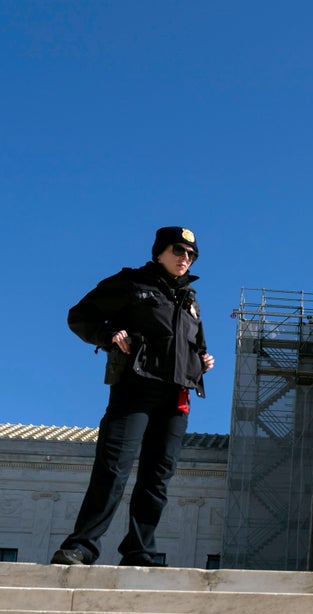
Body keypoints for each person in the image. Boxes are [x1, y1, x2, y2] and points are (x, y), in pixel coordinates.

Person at [51, 227, 215, 567]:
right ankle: (81, 546)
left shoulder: (190, 300)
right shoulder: (131, 283)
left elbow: (195, 345)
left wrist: (202, 360)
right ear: (159, 252)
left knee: (157, 478)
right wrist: (109, 334)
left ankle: (139, 551)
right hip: (135, 388)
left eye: (191, 255)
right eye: (179, 250)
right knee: (113, 468)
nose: (185, 258)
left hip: (176, 400)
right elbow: (80, 316)